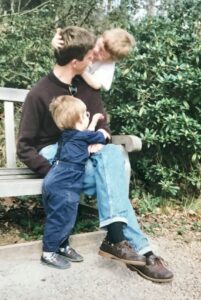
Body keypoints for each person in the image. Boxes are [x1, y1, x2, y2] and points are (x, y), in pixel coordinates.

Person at [17, 25, 173, 282]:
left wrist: (100, 140)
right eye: (90, 57)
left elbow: (104, 129)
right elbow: (25, 146)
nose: (94, 61)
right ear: (77, 62)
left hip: (84, 162)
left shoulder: (88, 88)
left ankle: (118, 241)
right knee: (111, 176)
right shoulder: (39, 93)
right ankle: (137, 249)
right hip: (59, 162)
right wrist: (55, 172)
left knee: (111, 154)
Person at [42, 95, 108, 269]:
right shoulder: (81, 137)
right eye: (86, 114)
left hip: (58, 180)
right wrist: (102, 132)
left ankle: (62, 246)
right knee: (59, 219)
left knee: (66, 217)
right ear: (79, 121)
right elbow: (99, 137)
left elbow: (87, 134)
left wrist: (92, 120)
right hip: (64, 183)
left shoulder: (69, 136)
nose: (88, 114)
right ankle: (48, 253)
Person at [51, 27, 135, 91]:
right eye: (98, 45)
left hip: (79, 89)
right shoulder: (88, 41)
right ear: (101, 36)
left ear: (110, 59)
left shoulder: (108, 65)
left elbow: (97, 84)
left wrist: (81, 69)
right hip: (62, 77)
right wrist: (56, 43)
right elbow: (66, 40)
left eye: (101, 53)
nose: (95, 50)